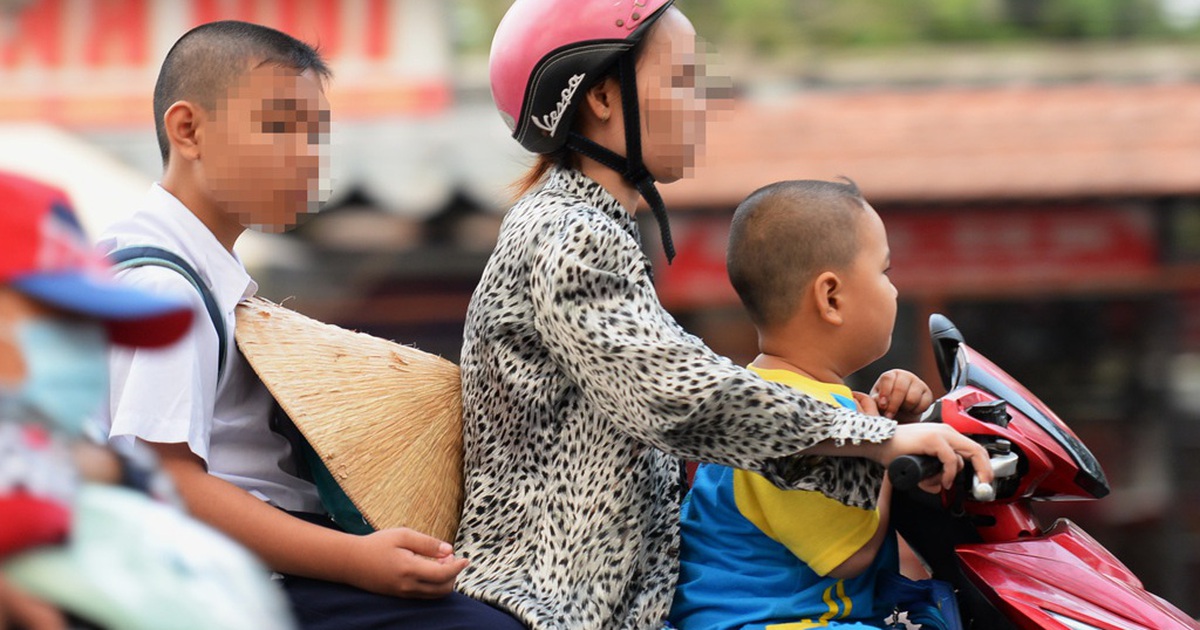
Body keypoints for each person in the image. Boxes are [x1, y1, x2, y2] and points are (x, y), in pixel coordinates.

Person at [458, 1, 992, 627]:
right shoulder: (569, 233)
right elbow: (680, 396)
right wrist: (878, 439)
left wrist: (876, 441)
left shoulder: (592, 228)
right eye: (682, 80)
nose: (700, 104)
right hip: (551, 602)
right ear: (603, 97)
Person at [96, 21, 522, 629]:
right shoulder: (168, 288)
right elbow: (171, 484)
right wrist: (355, 561)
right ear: (188, 130)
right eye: (278, 127)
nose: (305, 157)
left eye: (315, 135)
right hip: (230, 579)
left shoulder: (181, 263)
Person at [669, 179, 960, 629]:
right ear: (831, 298)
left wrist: (894, 422)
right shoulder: (802, 415)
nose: (895, 291)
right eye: (884, 272)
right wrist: (888, 447)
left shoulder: (774, 400)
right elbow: (850, 555)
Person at [0, 171, 190, 628]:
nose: (86, 351)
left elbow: (164, 506)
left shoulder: (90, 453)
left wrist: (109, 470)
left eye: (93, 326)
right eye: (62, 321)